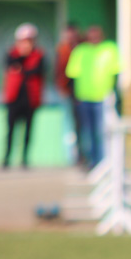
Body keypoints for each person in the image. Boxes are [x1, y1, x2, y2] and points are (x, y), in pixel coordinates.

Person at [65, 25, 120, 169]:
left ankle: (103, 163)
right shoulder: (80, 51)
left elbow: (117, 71)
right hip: (84, 98)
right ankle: (90, 161)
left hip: (103, 99)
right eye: (91, 36)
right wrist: (74, 96)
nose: (94, 39)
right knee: (87, 132)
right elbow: (72, 75)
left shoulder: (110, 49)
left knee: (102, 132)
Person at [2, 23, 45, 170]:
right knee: (10, 130)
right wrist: (21, 59)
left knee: (28, 130)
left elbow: (37, 71)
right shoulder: (12, 54)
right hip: (13, 98)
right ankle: (6, 158)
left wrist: (21, 69)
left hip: (30, 99)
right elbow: (10, 65)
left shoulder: (39, 55)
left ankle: (24, 159)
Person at [54, 24, 82, 165]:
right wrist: (61, 87)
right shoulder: (62, 49)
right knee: (69, 124)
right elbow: (58, 70)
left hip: (81, 92)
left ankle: (81, 155)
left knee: (81, 125)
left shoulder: (82, 48)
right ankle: (72, 156)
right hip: (67, 92)